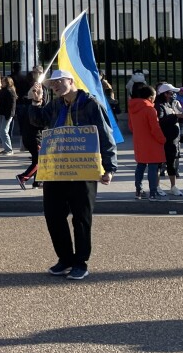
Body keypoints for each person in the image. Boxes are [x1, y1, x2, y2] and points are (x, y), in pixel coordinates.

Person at [29, 69, 117, 280]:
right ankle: (65, 259)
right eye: (52, 83)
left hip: (83, 167)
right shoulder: (55, 104)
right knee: (53, 214)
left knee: (81, 218)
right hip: (57, 167)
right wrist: (36, 101)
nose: (55, 86)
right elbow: (37, 121)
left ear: (70, 80)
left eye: (59, 81)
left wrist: (109, 167)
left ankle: (80, 262)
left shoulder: (91, 104)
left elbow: (105, 134)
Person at [128, 84, 166, 200]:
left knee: (140, 165)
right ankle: (153, 193)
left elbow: (131, 126)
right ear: (150, 97)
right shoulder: (150, 109)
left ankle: (138, 190)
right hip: (152, 143)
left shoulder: (133, 108)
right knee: (153, 168)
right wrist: (162, 139)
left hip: (139, 141)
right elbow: (155, 129)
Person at [155, 83, 183, 196]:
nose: (173, 95)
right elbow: (161, 121)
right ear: (165, 94)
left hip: (173, 140)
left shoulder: (170, 104)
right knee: (159, 164)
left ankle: (173, 186)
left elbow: (173, 118)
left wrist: (182, 117)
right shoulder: (159, 105)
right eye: (171, 93)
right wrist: (176, 116)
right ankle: (157, 186)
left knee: (171, 164)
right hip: (164, 139)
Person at [0, 76, 17, 155]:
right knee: (1, 131)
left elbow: (12, 105)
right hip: (1, 112)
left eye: (3, 81)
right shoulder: (3, 90)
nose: (2, 82)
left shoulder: (10, 91)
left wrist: (10, 114)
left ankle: (9, 149)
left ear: (7, 83)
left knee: (4, 131)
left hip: (7, 114)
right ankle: (5, 148)